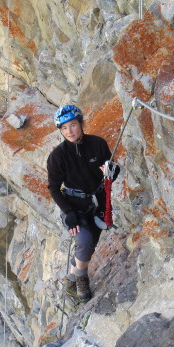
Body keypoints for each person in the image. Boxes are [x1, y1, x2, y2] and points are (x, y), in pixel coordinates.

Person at [47, 104, 119, 302]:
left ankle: (69, 281)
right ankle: (81, 278)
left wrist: (113, 171)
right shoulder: (58, 156)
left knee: (89, 246)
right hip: (74, 207)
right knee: (84, 241)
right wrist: (68, 213)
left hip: (96, 204)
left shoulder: (97, 144)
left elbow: (108, 170)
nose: (69, 131)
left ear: (80, 124)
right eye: (64, 128)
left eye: (72, 125)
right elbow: (53, 187)